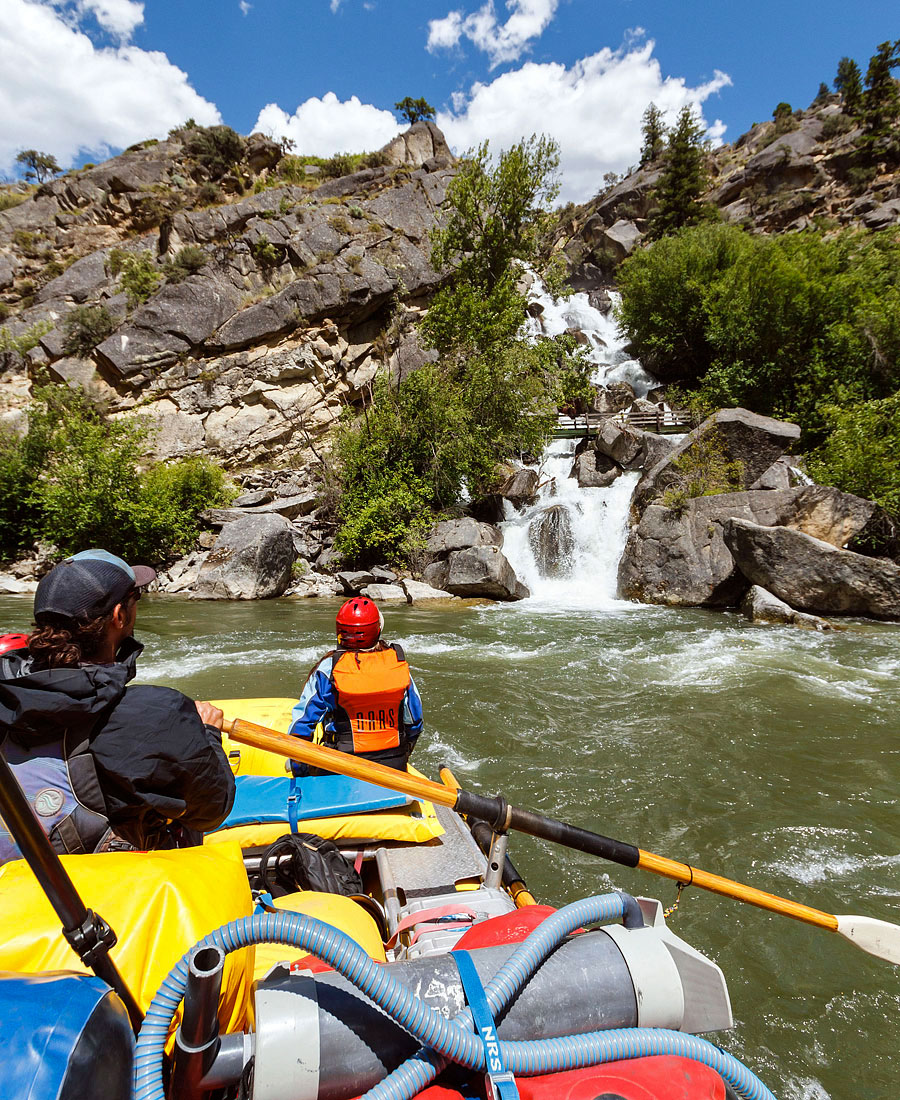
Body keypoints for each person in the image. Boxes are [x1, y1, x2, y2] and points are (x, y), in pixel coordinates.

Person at [0, 549, 235, 861]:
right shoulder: (153, 713)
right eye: (135, 597)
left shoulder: (8, 696)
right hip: (93, 897)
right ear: (119, 616)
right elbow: (212, 809)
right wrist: (207, 733)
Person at [288, 597, 423, 773]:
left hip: (341, 767)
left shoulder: (328, 669)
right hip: (392, 767)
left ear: (339, 633)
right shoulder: (397, 665)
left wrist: (300, 769)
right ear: (377, 630)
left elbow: (302, 727)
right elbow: (415, 722)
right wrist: (404, 754)